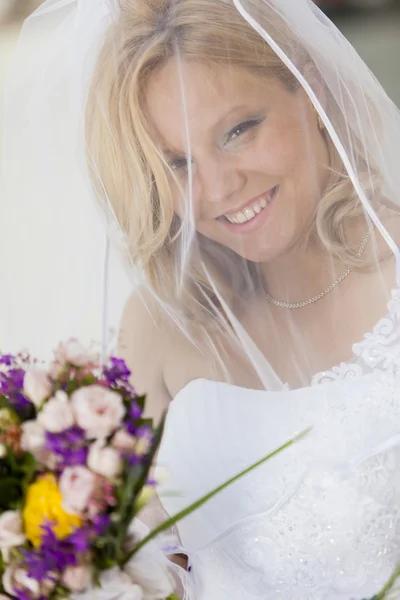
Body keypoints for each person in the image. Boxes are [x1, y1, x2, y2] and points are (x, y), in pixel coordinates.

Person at [2, 0, 400, 597]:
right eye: (178, 163)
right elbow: (143, 565)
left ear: (310, 89)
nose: (217, 188)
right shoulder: (163, 326)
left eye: (239, 131)